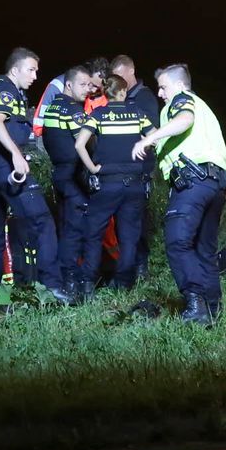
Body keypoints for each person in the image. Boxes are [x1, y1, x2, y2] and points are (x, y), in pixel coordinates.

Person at [132, 64, 226, 325]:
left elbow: (184, 120)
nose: (161, 94)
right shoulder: (204, 106)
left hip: (193, 182)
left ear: (178, 85)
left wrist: (147, 140)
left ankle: (195, 302)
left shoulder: (182, 100)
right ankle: (212, 308)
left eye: (163, 87)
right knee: (204, 249)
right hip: (215, 183)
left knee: (177, 241)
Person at [0, 47, 72, 304]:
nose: (35, 76)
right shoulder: (6, 89)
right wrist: (16, 155)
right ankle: (52, 287)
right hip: (5, 166)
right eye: (31, 69)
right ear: (14, 69)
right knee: (43, 222)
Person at [74, 74, 155, 296]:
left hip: (107, 184)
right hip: (135, 184)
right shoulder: (137, 113)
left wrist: (92, 168)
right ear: (122, 92)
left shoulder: (98, 114)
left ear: (107, 94)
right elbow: (155, 137)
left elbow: (80, 144)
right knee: (129, 236)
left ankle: (88, 283)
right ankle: (124, 283)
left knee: (93, 232)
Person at [40, 65, 94, 294]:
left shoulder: (53, 107)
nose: (88, 89)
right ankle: (72, 281)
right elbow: (88, 142)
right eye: (83, 85)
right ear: (69, 85)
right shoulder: (74, 110)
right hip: (75, 176)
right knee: (74, 229)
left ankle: (64, 276)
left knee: (64, 226)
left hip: (59, 174)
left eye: (90, 84)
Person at [112, 54, 161, 278]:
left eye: (121, 76)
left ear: (131, 72)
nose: (118, 81)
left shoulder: (144, 98)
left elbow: (150, 134)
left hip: (140, 169)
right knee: (124, 217)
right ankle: (125, 262)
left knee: (137, 218)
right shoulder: (122, 96)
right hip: (121, 168)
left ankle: (141, 266)